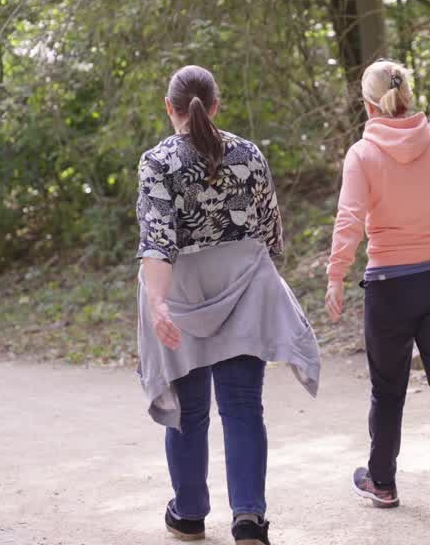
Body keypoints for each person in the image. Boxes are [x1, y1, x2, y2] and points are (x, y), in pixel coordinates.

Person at [136, 66, 320, 545]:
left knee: (187, 411)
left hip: (181, 294)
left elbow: (158, 242)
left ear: (168, 105)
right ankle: (249, 519)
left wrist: (158, 305)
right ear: (216, 105)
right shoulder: (249, 154)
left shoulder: (156, 163)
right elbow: (272, 233)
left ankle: (191, 514)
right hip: (244, 289)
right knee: (242, 407)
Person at [324, 60, 430, 519]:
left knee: (388, 388)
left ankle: (384, 482)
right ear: (408, 95)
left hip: (390, 285)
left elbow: (350, 218)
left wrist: (336, 274)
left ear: (368, 102)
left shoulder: (363, 153)